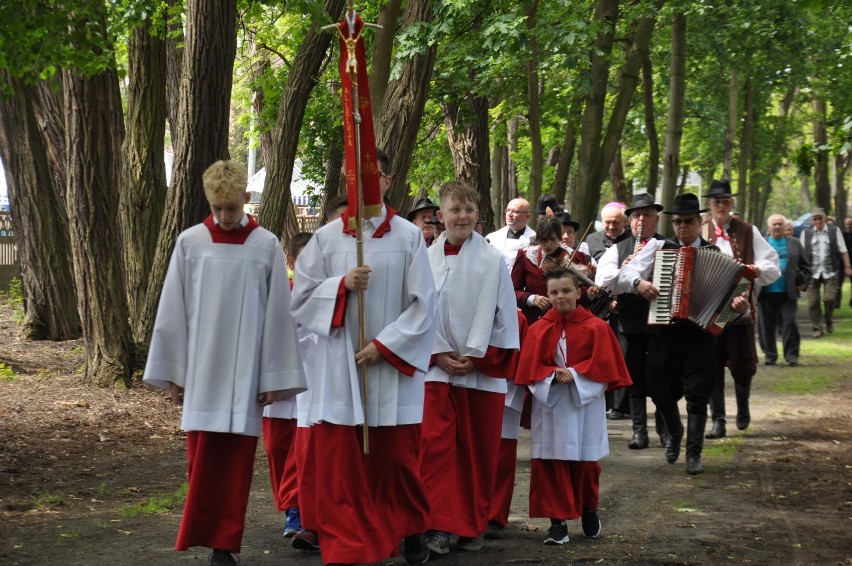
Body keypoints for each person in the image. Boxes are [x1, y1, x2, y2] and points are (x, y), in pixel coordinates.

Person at [143, 159, 306, 566]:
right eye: (217, 209)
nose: (224, 217)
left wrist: (274, 375)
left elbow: (277, 315)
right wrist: (173, 373)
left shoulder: (265, 244)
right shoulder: (191, 242)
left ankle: (223, 544)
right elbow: (172, 312)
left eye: (231, 208)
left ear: (246, 200)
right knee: (202, 460)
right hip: (201, 370)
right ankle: (200, 531)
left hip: (247, 372)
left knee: (235, 463)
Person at [289, 150, 436, 566]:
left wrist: (385, 346)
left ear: (388, 182)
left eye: (375, 178)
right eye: (357, 180)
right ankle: (350, 546)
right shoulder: (327, 237)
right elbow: (300, 299)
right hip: (340, 367)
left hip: (389, 369)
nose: (366, 188)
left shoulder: (408, 236)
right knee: (344, 464)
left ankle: (409, 526)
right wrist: (340, 284)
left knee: (394, 462)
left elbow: (425, 304)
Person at [419, 180, 520, 556]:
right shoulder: (424, 259)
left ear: (478, 215)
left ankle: (472, 525)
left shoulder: (492, 259)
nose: (462, 216)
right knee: (437, 449)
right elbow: (416, 313)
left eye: (468, 210)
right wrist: (436, 353)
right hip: (436, 370)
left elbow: (505, 317)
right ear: (439, 216)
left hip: (479, 372)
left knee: (477, 453)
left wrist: (479, 356)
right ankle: (438, 524)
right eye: (454, 210)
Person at [618, 194, 748, 474]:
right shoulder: (658, 248)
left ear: (700, 222)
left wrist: (740, 307)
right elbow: (625, 274)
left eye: (688, 221)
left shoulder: (716, 254)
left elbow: (733, 302)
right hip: (664, 332)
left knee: (698, 394)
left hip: (700, 335)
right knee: (659, 391)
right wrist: (640, 283)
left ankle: (693, 454)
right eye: (677, 222)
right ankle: (675, 433)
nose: (682, 227)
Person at [515, 268, 631, 545]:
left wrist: (576, 374)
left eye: (565, 291)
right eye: (553, 292)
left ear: (578, 292)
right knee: (551, 463)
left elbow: (606, 367)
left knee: (585, 464)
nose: (560, 297)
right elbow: (530, 370)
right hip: (552, 403)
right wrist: (552, 374)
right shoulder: (538, 328)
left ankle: (588, 508)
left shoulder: (597, 327)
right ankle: (557, 523)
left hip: (584, 404)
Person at [702, 180, 780, 438]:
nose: (721, 206)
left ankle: (743, 407)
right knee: (711, 366)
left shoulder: (748, 230)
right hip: (708, 311)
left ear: (732, 203)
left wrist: (756, 270)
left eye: (725, 201)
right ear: (710, 205)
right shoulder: (700, 231)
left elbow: (771, 264)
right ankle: (718, 420)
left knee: (742, 364)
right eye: (716, 202)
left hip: (740, 310)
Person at [595, 192, 668, 450]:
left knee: (660, 376)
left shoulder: (668, 246)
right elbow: (604, 279)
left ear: (656, 218)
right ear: (629, 221)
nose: (641, 220)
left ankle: (664, 428)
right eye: (636, 215)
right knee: (634, 377)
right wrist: (629, 278)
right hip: (629, 320)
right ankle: (639, 432)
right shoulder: (618, 249)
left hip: (662, 322)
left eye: (647, 215)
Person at [261, 233, 313, 540]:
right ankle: (290, 506)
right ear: (291, 263)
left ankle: (299, 510)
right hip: (280, 391)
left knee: (303, 454)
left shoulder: (329, 296)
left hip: (311, 387)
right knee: (278, 450)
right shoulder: (280, 296)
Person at [584, 201, 630, 419]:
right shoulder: (592, 240)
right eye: (607, 222)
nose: (611, 227)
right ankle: (603, 401)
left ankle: (621, 405)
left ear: (624, 222)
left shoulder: (630, 241)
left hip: (623, 304)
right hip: (597, 303)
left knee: (623, 352)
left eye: (616, 222)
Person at [512, 217, 593, 327]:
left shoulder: (575, 256)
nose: (548, 244)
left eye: (552, 239)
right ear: (537, 239)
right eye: (543, 239)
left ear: (560, 238)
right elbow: (512, 291)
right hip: (536, 321)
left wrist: (589, 294)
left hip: (568, 321)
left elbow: (581, 293)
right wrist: (532, 299)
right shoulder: (526, 257)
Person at [758, 215, 810, 366]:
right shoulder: (761, 243)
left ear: (784, 226)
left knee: (789, 324)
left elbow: (806, 266)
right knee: (766, 326)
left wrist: (804, 282)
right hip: (765, 291)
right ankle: (770, 355)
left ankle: (791, 356)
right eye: (774, 224)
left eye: (780, 224)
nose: (777, 227)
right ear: (769, 227)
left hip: (788, 292)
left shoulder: (794, 243)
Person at [800, 208, 852, 337]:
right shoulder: (806, 233)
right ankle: (817, 328)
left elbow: (843, 250)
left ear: (824, 218)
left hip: (831, 271)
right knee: (813, 302)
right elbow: (801, 254)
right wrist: (800, 271)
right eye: (815, 218)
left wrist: (847, 266)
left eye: (820, 218)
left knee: (829, 299)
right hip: (812, 272)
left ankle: (828, 319)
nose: (817, 221)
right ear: (812, 220)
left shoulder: (835, 231)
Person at [486, 198, 535, 269]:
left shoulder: (535, 240)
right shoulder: (492, 238)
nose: (509, 214)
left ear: (527, 216)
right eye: (508, 210)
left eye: (515, 211)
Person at [844, 217, 852, 307]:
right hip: (843, 263)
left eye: (850, 224)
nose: (848, 226)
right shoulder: (842, 236)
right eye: (847, 224)